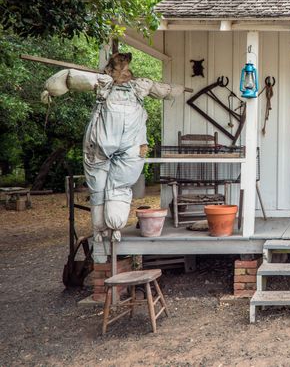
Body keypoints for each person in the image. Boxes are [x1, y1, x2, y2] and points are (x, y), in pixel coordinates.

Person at [42, 52, 185, 242]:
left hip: (113, 143)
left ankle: (106, 228)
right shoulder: (132, 85)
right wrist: (180, 88)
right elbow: (165, 90)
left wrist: (50, 88)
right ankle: (108, 227)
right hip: (119, 143)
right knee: (113, 186)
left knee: (105, 186)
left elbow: (70, 78)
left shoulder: (112, 83)